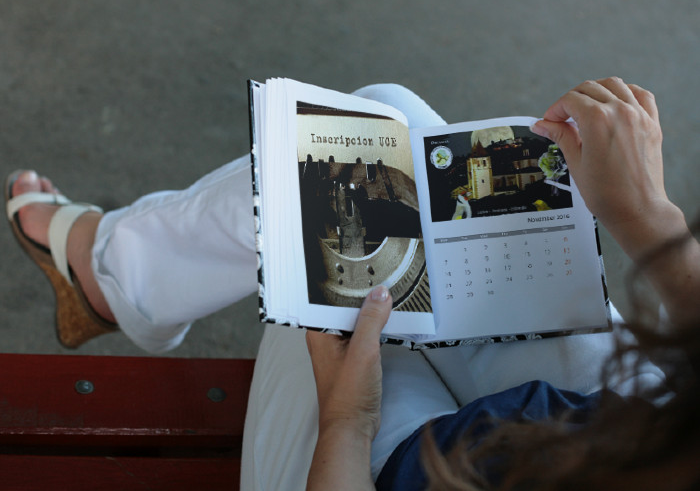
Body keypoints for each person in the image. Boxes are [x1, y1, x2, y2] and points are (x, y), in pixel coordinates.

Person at [5, 78, 699, 489]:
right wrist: (648, 216)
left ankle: (114, 273)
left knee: (319, 222)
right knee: (378, 122)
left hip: (387, 469)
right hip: (604, 422)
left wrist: (346, 421)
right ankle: (116, 273)